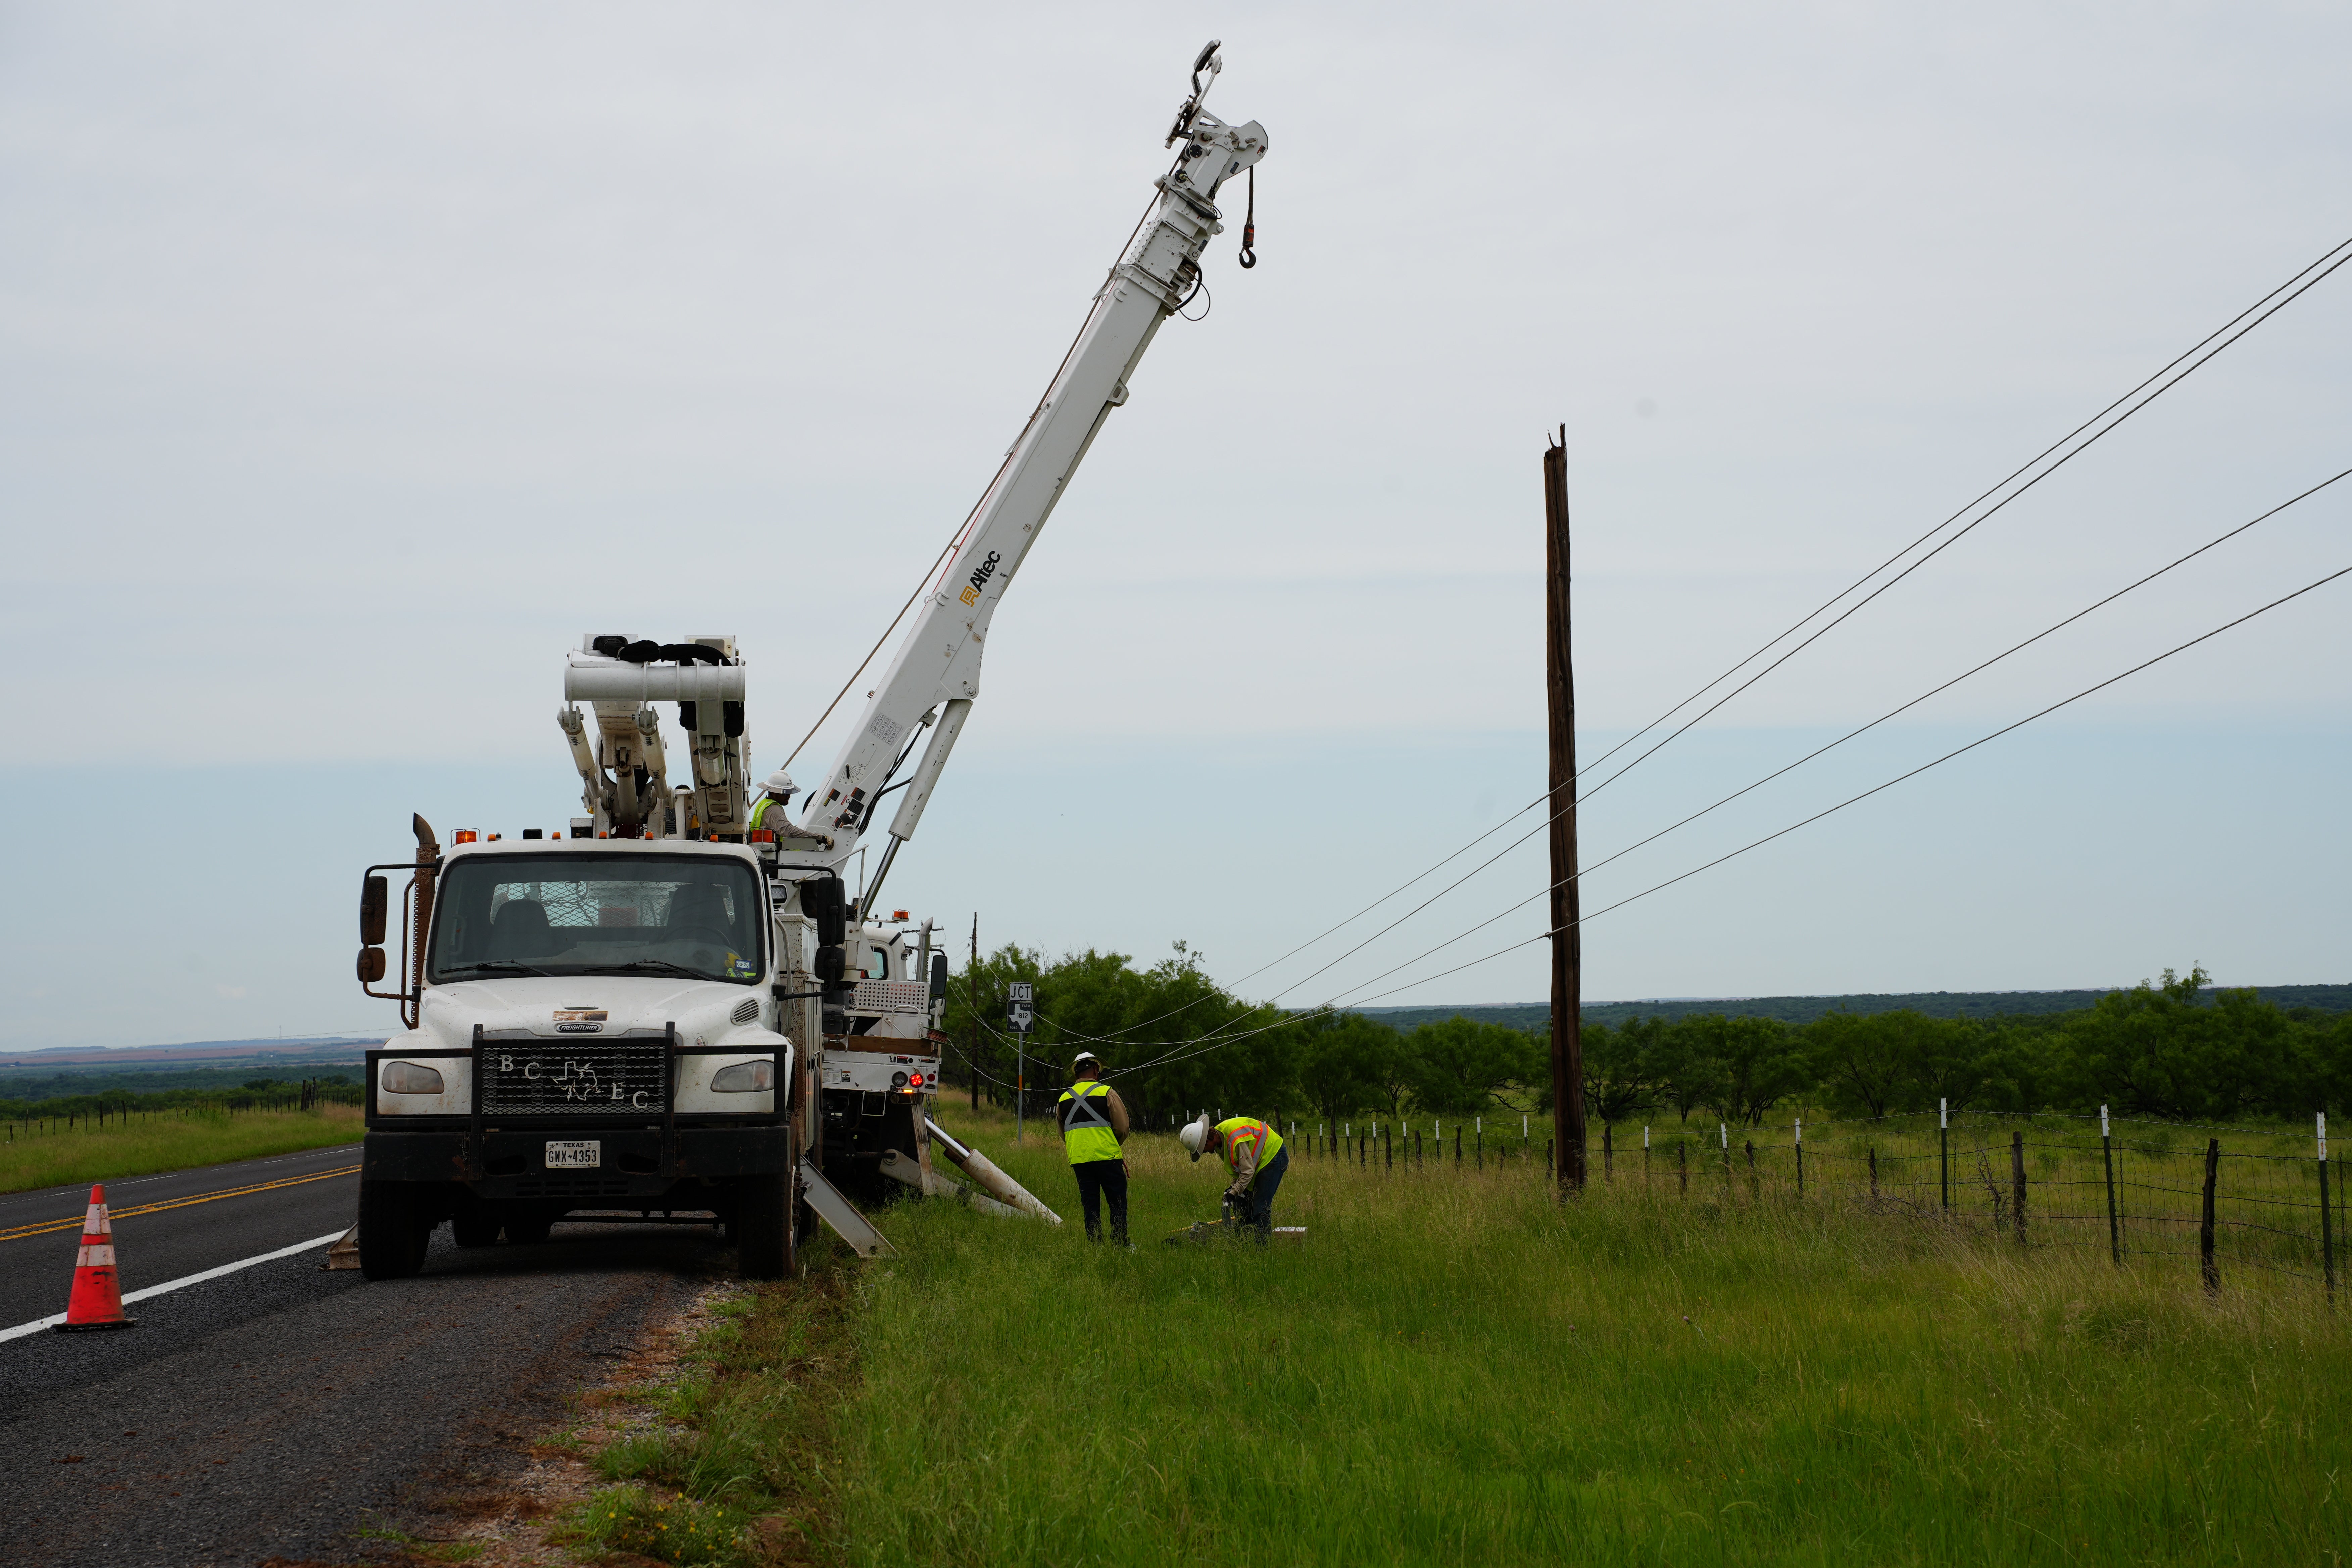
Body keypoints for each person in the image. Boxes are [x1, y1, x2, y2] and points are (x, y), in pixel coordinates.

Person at [1056, 1052, 1131, 1245]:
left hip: (1080, 1159)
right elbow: (1123, 1127)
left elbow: (1064, 1133)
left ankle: (1095, 1244)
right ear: (1096, 1070)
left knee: (1090, 1204)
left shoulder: (1063, 1099)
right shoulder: (1107, 1092)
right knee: (1117, 1203)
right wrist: (1111, 1143)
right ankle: (1119, 1243)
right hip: (1108, 1158)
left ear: (1076, 1073)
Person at [1178, 1111, 1288, 1240]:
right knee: (1241, 1203)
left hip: (1273, 1155)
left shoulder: (1235, 1139)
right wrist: (1233, 1190)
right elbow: (1238, 1168)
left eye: (1203, 1149)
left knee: (1260, 1207)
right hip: (1257, 1162)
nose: (1205, 1152)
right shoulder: (1220, 1140)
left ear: (1208, 1140)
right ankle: (1243, 1243)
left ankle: (1262, 1247)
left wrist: (1234, 1192)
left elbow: (1247, 1172)